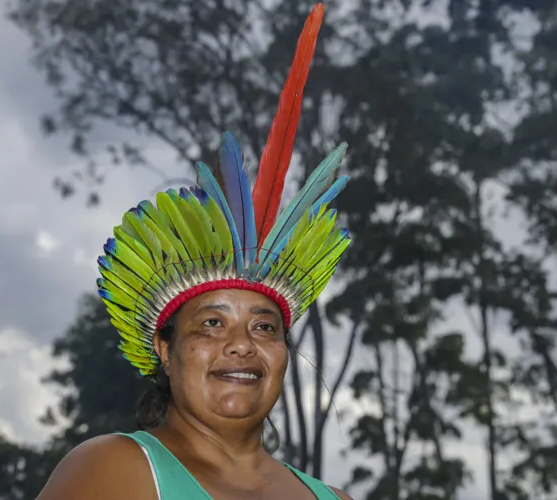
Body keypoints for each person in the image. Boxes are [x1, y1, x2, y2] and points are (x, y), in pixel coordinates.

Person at [36, 3, 354, 499]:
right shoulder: (115, 469)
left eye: (264, 326)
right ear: (165, 350)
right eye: (211, 322)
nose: (241, 344)